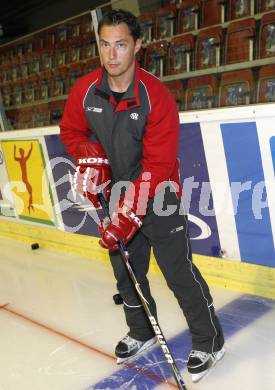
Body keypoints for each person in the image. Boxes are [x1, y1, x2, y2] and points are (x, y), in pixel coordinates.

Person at [60, 9, 225, 383]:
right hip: (116, 193)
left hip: (159, 192)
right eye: (105, 45)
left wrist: (130, 213)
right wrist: (91, 157)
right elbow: (71, 130)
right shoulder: (86, 91)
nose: (112, 54)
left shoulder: (156, 97)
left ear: (137, 46)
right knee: (126, 273)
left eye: (120, 45)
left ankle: (210, 340)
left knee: (178, 272)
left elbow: (159, 164)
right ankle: (142, 330)